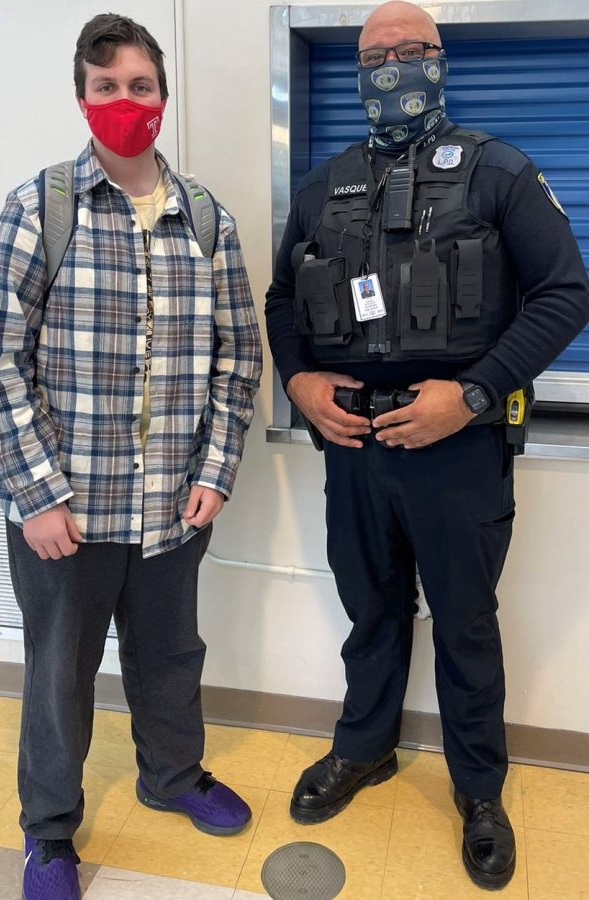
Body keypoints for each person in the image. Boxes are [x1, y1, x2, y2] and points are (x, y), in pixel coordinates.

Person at [265, 0, 589, 890]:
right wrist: (296, 382)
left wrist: (475, 392)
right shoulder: (321, 183)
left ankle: (479, 791)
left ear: (440, 63)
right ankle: (363, 750)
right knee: (370, 616)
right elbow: (281, 302)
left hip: (456, 450)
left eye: (412, 51)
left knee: (464, 625)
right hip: (355, 446)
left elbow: (566, 295)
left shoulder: (499, 173)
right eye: (375, 55)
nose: (392, 68)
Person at [0, 13, 262, 900]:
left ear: (162, 96)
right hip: (66, 514)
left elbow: (239, 356)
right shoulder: (41, 208)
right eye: (106, 87)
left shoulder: (206, 219)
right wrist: (34, 494)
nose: (125, 102)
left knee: (169, 657)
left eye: (139, 86)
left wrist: (216, 472)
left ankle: (172, 777)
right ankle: (49, 835)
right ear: (83, 98)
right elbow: (0, 357)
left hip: (172, 508)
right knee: (59, 678)